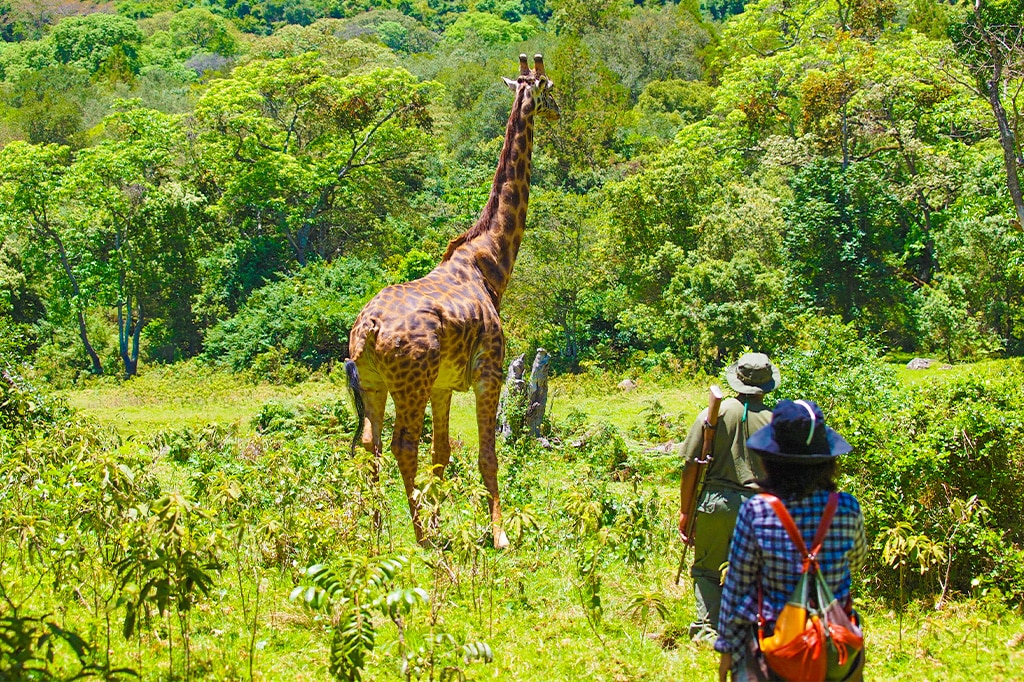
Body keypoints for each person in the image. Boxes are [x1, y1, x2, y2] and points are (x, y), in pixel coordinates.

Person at [715, 399, 867, 682]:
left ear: (770, 460)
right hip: (835, 649)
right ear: (827, 459)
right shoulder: (846, 507)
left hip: (775, 649)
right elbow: (857, 562)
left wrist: (726, 648)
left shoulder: (758, 511)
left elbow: (737, 587)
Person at [678, 352, 780, 643]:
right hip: (760, 508)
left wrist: (686, 511)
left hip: (716, 503)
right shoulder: (775, 422)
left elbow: (690, 466)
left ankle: (708, 630)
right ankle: (751, 629)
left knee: (708, 570)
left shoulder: (715, 414)